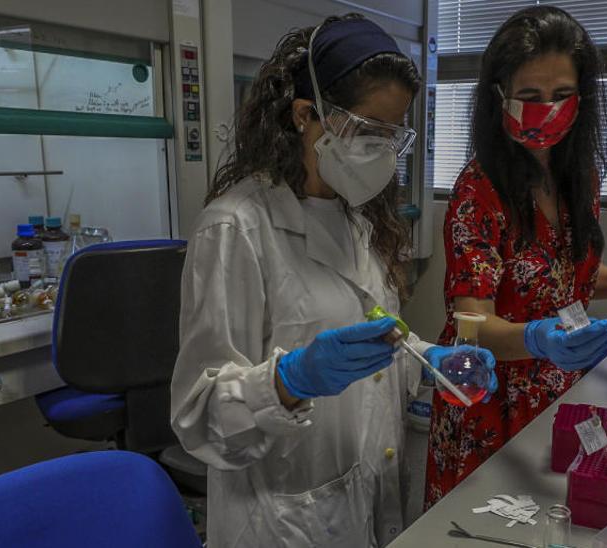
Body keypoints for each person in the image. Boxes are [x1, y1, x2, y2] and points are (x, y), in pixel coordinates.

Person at [169, 15, 497, 547]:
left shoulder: (359, 218)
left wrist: (425, 360)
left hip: (365, 499)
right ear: (306, 115)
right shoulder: (235, 228)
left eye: (394, 134)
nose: (382, 149)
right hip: (281, 519)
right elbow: (198, 418)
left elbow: (369, 333)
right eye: (369, 129)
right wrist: (288, 381)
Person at [425, 6, 607, 507]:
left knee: (557, 520)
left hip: (559, 388)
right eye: (529, 96)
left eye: (562, 95)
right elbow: (470, 325)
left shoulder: (579, 178)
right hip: (488, 397)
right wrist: (535, 337)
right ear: (499, 96)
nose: (547, 109)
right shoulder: (479, 190)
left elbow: (569, 280)